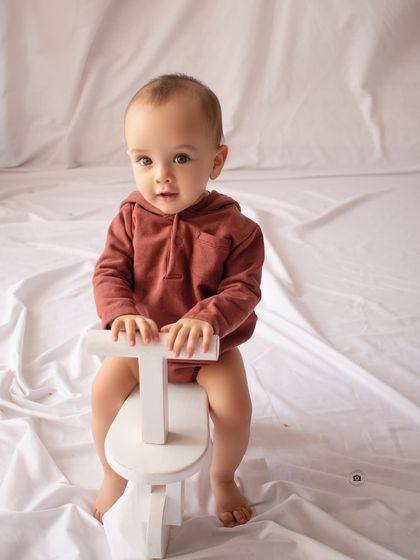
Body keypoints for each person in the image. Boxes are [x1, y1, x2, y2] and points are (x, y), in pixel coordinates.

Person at [91, 73, 264, 528]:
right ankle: (112, 474)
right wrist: (122, 313)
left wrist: (207, 320)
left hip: (210, 353)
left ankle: (223, 476)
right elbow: (109, 271)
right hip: (144, 346)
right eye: (144, 160)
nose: (161, 176)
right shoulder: (130, 217)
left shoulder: (237, 229)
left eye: (181, 158)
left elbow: (242, 290)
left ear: (217, 160)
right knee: (102, 393)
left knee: (234, 410)